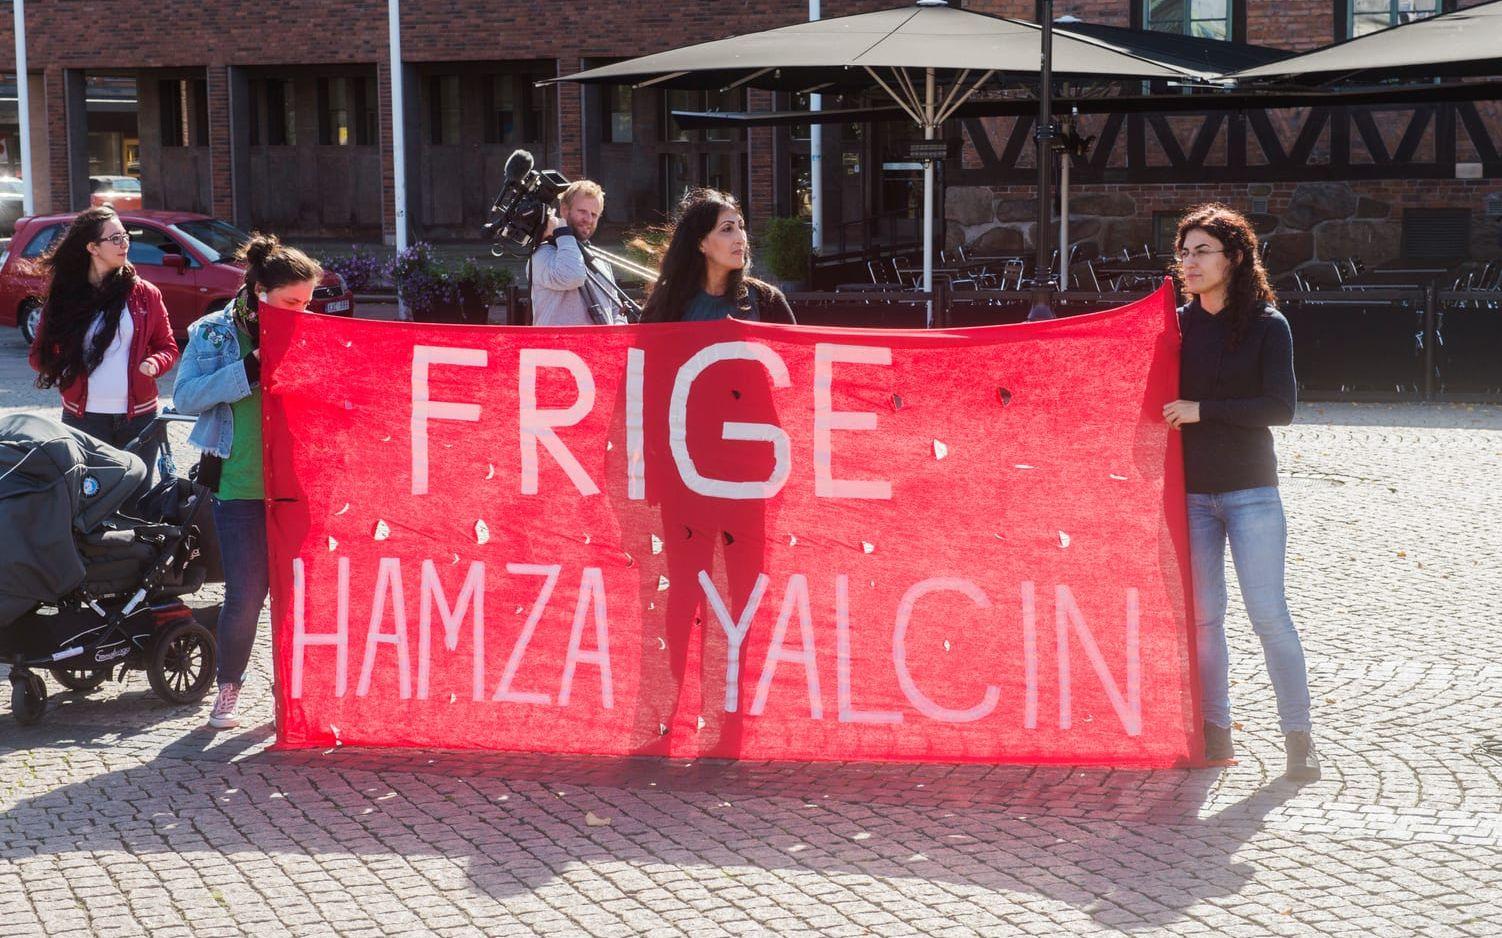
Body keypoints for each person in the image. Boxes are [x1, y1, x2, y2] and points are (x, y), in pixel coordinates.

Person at [1162, 203, 1320, 783]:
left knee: (1268, 615)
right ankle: (1215, 732)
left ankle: (1298, 737)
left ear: (1234, 258)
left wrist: (1203, 411)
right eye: (1184, 252)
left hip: (1252, 491)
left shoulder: (1267, 325)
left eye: (1202, 251)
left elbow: (1280, 408)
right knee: (1203, 620)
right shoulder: (1176, 327)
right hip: (1191, 496)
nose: (1189, 262)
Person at [173, 233, 322, 730]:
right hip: (237, 486)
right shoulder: (214, 332)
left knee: (298, 592)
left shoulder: (307, 330)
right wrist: (249, 370)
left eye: (307, 302)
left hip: (296, 487)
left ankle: (292, 692)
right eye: (291, 302)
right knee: (246, 593)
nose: (301, 311)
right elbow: (186, 396)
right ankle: (229, 689)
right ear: (261, 292)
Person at [29, 206, 178, 472]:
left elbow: (167, 347)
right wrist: (63, 370)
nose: (125, 244)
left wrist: (155, 363)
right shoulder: (65, 296)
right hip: (83, 419)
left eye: (126, 237)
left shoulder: (145, 293)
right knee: (91, 500)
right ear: (92, 247)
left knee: (136, 502)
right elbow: (39, 354)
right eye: (115, 239)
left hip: (140, 418)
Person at [639, 188, 795, 324]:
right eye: (727, 229)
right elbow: (643, 355)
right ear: (700, 243)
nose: (740, 238)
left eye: (741, 227)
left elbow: (795, 356)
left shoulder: (767, 301)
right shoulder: (665, 304)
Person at [529, 179, 625, 325]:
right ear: (564, 210)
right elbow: (573, 276)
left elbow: (615, 308)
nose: (588, 219)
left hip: (599, 347)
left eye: (594, 215)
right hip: (559, 347)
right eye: (582, 211)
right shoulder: (542, 255)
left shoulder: (599, 259)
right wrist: (561, 230)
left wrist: (618, 329)